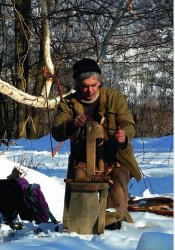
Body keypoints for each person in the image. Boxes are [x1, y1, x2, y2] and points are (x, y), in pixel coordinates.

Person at [51, 58, 142, 229]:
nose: (90, 90)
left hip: (116, 158)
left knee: (118, 185)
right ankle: (82, 223)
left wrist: (125, 136)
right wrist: (71, 124)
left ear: (99, 82)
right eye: (85, 86)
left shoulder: (114, 98)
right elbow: (56, 132)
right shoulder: (68, 104)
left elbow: (129, 123)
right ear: (77, 85)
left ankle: (113, 225)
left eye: (93, 85)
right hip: (84, 159)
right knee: (80, 182)